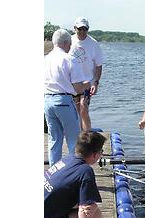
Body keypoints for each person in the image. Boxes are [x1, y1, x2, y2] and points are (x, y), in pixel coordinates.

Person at [44, 130, 106, 218]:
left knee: (91, 207)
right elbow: (84, 213)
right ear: (95, 155)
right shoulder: (85, 171)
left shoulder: (67, 159)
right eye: (101, 152)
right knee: (94, 215)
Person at [45, 29, 91, 166]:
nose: (70, 46)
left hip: (47, 100)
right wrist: (87, 85)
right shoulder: (69, 59)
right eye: (70, 44)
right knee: (73, 140)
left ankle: (54, 172)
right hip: (63, 101)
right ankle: (73, 171)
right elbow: (77, 88)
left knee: (54, 139)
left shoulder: (45, 59)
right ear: (65, 43)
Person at [70, 17, 103, 131]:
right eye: (80, 29)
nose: (83, 31)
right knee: (75, 109)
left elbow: (98, 66)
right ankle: (78, 133)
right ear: (75, 29)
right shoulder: (69, 41)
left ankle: (87, 134)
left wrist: (96, 82)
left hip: (87, 82)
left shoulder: (93, 44)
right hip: (72, 82)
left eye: (85, 29)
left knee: (84, 107)